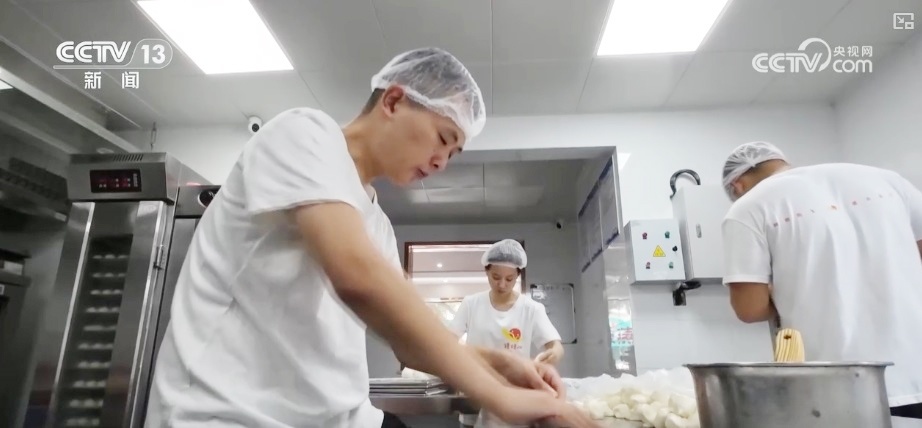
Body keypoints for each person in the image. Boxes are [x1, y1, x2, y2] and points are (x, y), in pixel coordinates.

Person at [145, 47, 598, 428]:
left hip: (341, 417)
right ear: (395, 101)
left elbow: (408, 344)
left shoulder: (377, 223)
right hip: (230, 414)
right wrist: (501, 398)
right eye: (442, 138)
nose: (442, 162)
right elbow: (356, 277)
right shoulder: (304, 133)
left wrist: (502, 365)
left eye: (454, 152)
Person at [720, 141, 922, 418]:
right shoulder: (887, 180)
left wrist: (789, 291)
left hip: (841, 386)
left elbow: (749, 309)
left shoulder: (748, 208)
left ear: (737, 185)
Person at [450, 239, 565, 427]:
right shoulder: (471, 304)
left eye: (509, 279)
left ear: (518, 275)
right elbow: (448, 340)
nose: (502, 284)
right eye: (496, 277)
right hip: (477, 391)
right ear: (486, 271)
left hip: (515, 396)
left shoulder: (531, 308)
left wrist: (553, 353)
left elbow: (555, 346)